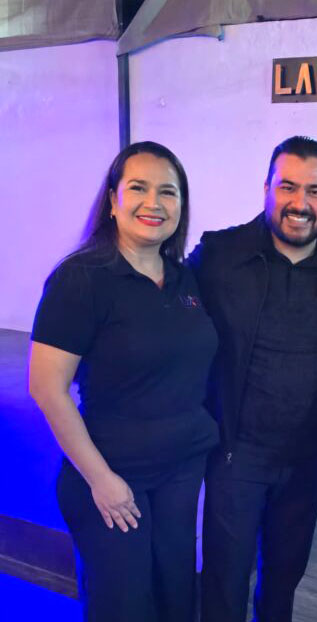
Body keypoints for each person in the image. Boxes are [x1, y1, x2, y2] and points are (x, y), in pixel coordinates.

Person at [29, 142, 219, 622]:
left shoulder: (184, 279)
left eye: (168, 192)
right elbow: (47, 388)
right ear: (113, 200)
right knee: (125, 607)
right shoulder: (81, 279)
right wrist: (101, 480)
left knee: (176, 599)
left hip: (180, 471)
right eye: (138, 188)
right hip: (114, 477)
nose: (154, 203)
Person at [189, 136, 317, 622]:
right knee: (224, 580)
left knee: (284, 579)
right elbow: (165, 307)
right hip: (235, 454)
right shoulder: (219, 254)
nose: (300, 203)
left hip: (306, 457)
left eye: (315, 191)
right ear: (266, 187)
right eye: (288, 186)